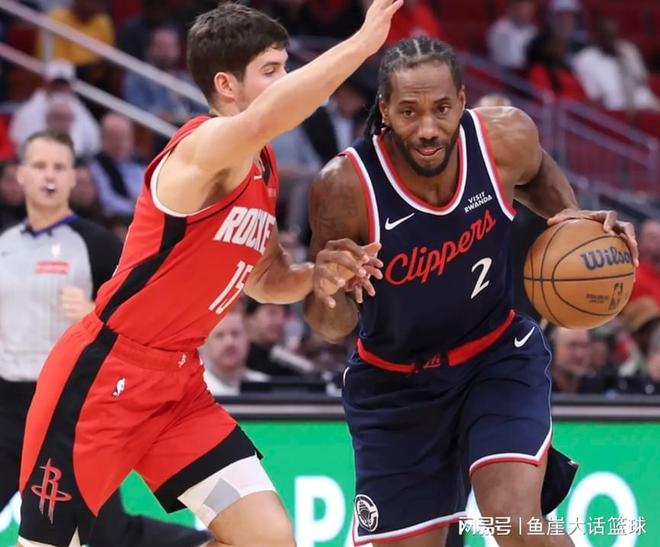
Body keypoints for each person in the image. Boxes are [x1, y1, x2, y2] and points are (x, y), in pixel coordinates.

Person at [17, 2, 401, 546]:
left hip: (177, 386)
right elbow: (266, 118)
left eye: (285, 67)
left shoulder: (262, 164)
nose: (285, 79)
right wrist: (362, 44)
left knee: (268, 539)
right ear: (226, 84)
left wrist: (317, 275)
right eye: (271, 70)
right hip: (104, 377)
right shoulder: (203, 145)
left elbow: (265, 279)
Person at [303, 36, 638, 546]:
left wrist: (572, 220)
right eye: (409, 112)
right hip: (397, 385)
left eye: (442, 109)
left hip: (495, 356)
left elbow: (538, 173)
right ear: (385, 110)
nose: (428, 128)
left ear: (462, 100)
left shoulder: (504, 139)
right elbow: (331, 325)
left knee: (514, 521)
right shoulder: (344, 187)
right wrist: (329, 289)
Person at [0, 130, 209, 547]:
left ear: (74, 177)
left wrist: (94, 314)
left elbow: (147, 313)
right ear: (20, 174)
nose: (49, 175)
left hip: (70, 405)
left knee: (106, 532)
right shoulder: (4, 244)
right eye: (39, 166)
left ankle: (199, 544)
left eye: (59, 166)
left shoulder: (97, 244)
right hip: (6, 406)